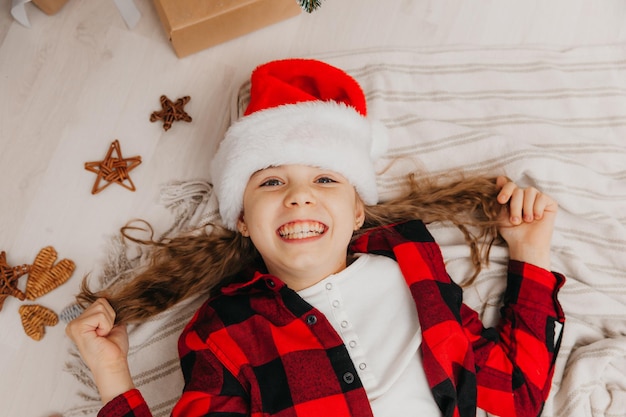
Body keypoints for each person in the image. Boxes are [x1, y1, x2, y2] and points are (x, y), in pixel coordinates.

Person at [66, 59, 565, 417]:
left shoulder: (412, 264)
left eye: (325, 179)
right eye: (271, 181)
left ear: (355, 212)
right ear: (241, 218)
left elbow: (514, 394)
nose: (300, 196)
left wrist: (529, 251)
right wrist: (112, 376)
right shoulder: (224, 332)